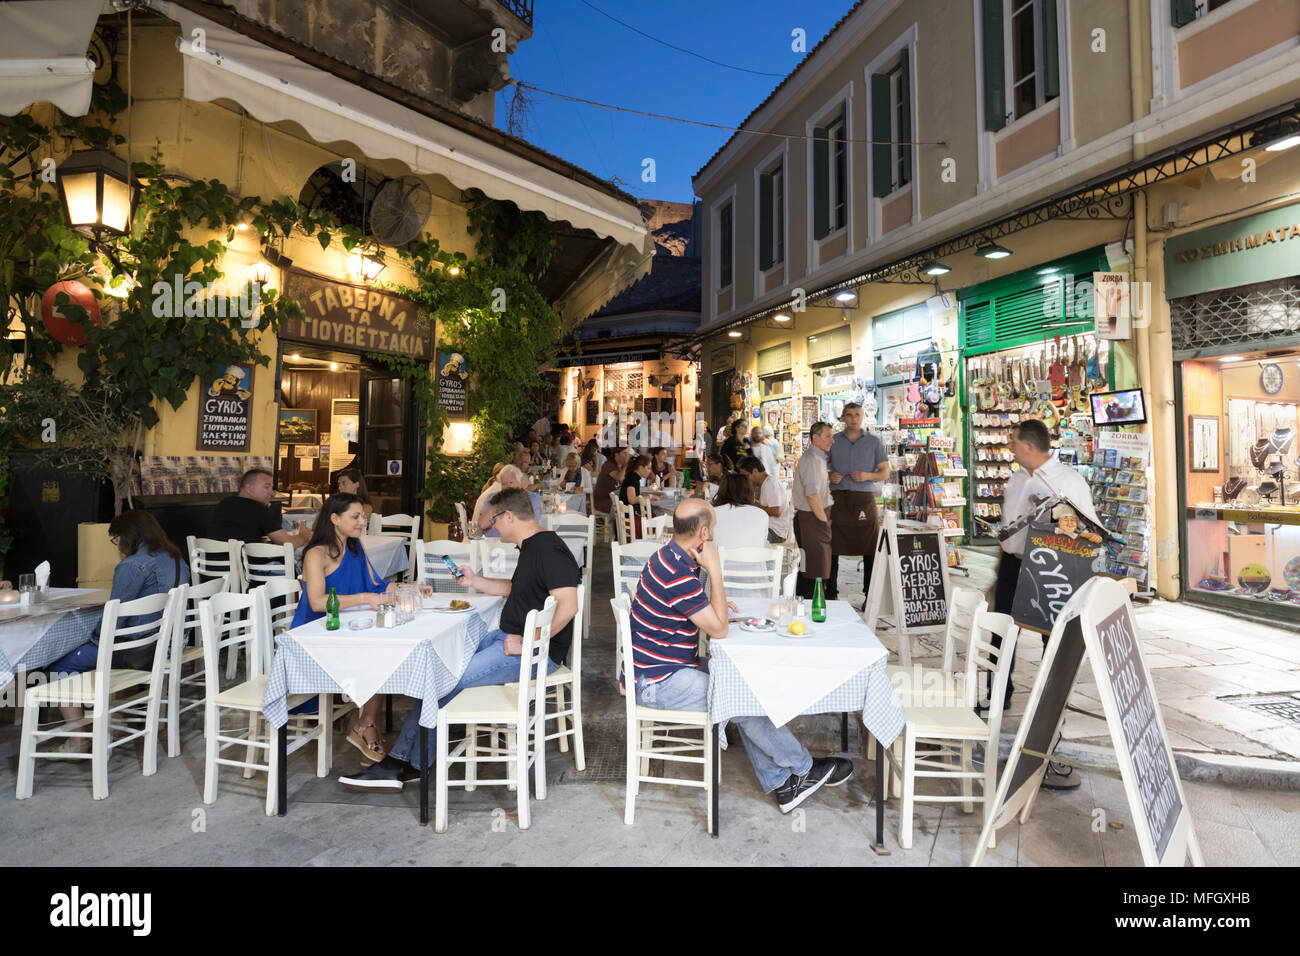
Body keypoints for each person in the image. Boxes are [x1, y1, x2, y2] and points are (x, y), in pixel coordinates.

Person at [341, 488, 580, 789]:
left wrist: (529, 641)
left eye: (494, 519)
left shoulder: (548, 549)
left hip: (534, 653)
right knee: (443, 666)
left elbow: (568, 605)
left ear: (509, 515)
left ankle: (400, 763)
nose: (491, 526)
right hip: (510, 639)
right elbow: (515, 589)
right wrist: (475, 582)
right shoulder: (531, 546)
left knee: (444, 677)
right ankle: (409, 763)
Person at [627, 498, 852, 812]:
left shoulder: (669, 556)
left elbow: (698, 612)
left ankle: (783, 784)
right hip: (659, 681)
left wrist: (713, 602)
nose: (716, 535)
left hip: (662, 669)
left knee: (742, 684)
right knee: (740, 694)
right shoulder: (676, 569)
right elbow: (718, 631)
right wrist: (716, 571)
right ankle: (802, 769)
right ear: (703, 533)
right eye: (714, 529)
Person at [996, 419, 1100, 791]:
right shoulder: (1016, 479)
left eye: (1013, 442)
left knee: (1051, 644)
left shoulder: (1068, 481)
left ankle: (1050, 725)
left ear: (1028, 446)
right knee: (1000, 631)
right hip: (1012, 565)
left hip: (1049, 567)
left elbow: (1090, 532)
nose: (1009, 446)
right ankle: (997, 695)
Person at [48, 510, 191, 735]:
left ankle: (79, 739)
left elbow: (114, 620)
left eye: (116, 538)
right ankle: (114, 717)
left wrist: (88, 639)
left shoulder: (133, 565)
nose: (117, 545)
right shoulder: (176, 558)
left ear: (128, 535)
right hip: (171, 644)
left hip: (141, 651)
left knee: (60, 664)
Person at [289, 493, 401, 761]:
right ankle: (366, 726)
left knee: (388, 655)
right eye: (355, 516)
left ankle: (365, 724)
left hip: (347, 629)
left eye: (363, 516)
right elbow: (316, 603)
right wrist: (365, 599)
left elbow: (378, 584)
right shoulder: (315, 554)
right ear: (334, 519)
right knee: (381, 658)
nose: (362, 521)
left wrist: (409, 588)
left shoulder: (355, 547)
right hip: (318, 635)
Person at [826, 403, 890, 603]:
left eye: (857, 415)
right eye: (849, 415)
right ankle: (830, 593)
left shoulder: (874, 442)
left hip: (864, 500)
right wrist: (829, 476)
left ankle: (869, 595)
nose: (854, 419)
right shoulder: (833, 441)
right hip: (838, 500)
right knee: (832, 545)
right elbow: (820, 468)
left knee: (870, 546)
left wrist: (867, 475)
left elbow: (885, 472)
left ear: (862, 417)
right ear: (843, 418)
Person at [209, 468, 311, 549]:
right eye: (266, 487)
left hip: (209, 569)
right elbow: (289, 544)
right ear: (249, 488)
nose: (272, 493)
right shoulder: (258, 509)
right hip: (240, 572)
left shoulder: (224, 503)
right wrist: (303, 536)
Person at [791, 422, 835, 600]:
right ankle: (810, 602)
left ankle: (804, 601)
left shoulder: (818, 458)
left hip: (812, 517)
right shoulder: (812, 459)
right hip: (812, 518)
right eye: (828, 436)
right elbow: (812, 495)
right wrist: (824, 522)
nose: (832, 440)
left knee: (809, 566)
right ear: (815, 438)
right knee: (813, 567)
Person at [473, 465, 542, 534]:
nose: (507, 487)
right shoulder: (492, 498)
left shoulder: (533, 498)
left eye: (511, 482)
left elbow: (529, 527)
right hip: (493, 541)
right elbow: (481, 525)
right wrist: (499, 502)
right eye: (504, 484)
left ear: (520, 482)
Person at [710, 472, 769, 550]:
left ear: (722, 491)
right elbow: (763, 543)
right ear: (749, 491)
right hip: (754, 561)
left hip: (719, 561)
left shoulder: (712, 513)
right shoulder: (762, 514)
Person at [739, 458, 791, 544]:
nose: (745, 479)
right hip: (767, 528)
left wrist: (755, 506)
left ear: (755, 471)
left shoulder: (770, 483)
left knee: (743, 538)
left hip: (775, 532)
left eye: (746, 476)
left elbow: (776, 511)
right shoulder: (762, 484)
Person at [619, 454, 660, 537]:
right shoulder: (632, 479)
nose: (650, 471)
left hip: (629, 515)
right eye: (648, 468)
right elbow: (632, 499)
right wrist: (650, 497)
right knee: (656, 518)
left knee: (653, 515)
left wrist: (649, 494)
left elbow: (636, 493)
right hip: (630, 518)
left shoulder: (633, 476)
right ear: (641, 468)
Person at [594, 446, 631, 514]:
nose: (627, 456)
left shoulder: (621, 467)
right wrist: (626, 464)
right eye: (624, 453)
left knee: (633, 503)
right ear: (616, 455)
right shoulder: (608, 465)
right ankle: (619, 524)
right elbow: (619, 478)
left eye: (628, 453)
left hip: (616, 498)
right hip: (604, 501)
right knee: (628, 506)